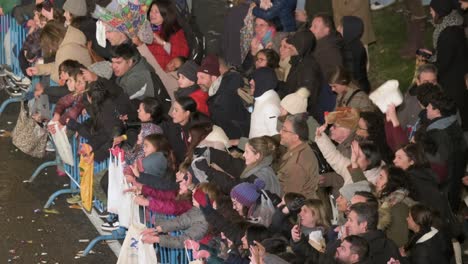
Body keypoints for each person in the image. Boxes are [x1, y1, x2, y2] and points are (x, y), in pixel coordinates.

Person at [422, 0, 468, 131]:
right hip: (459, 70)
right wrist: (433, 54)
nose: (430, 12)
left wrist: (429, 59)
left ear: (439, 12)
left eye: (432, 10)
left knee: (459, 111)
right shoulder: (453, 22)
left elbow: (442, 65)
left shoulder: (447, 34)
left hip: (454, 80)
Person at [194, 136, 282, 196]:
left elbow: (234, 187)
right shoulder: (260, 164)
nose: (243, 155)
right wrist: (212, 153)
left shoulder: (259, 176)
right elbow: (233, 164)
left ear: (257, 155)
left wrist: (209, 171)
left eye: (247, 152)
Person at [197, 55, 251, 139]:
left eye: (202, 77)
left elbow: (231, 127)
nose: (198, 82)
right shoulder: (220, 91)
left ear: (214, 77)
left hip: (239, 142)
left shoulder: (222, 97)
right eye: (197, 78)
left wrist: (236, 145)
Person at [109, 43, 171, 112]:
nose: (113, 66)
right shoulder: (136, 59)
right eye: (112, 62)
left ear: (130, 62)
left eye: (118, 63)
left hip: (155, 113)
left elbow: (120, 101)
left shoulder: (134, 80)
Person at [26, 21, 92, 84]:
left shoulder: (63, 52)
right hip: (89, 70)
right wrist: (39, 69)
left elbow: (60, 78)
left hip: (85, 82)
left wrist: (49, 74)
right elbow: (58, 66)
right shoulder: (73, 33)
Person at [280, 30, 324, 118]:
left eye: (294, 44)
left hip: (297, 113)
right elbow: (290, 86)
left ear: (302, 47)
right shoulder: (297, 60)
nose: (290, 46)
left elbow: (305, 96)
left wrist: (286, 110)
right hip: (289, 106)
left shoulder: (308, 68)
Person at [278, 113, 319, 199]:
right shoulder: (303, 147)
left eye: (284, 130)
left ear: (295, 137)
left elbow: (290, 199)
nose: (280, 132)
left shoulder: (296, 166)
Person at [374, 166, 415, 247]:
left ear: (391, 182)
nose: (376, 181)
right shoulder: (387, 200)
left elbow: (398, 242)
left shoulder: (399, 207)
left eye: (381, 177)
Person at [146, 0, 189, 70]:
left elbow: (180, 58)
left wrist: (163, 43)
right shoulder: (147, 27)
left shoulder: (175, 32)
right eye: (151, 10)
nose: (152, 14)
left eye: (156, 12)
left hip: (163, 74)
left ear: (166, 14)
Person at [397, 64, 438, 130]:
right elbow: (398, 130)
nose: (430, 86)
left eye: (433, 81)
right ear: (418, 82)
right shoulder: (408, 102)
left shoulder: (445, 101)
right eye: (426, 82)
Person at [338, 16, 370, 93]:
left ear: (349, 30)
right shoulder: (356, 43)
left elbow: (350, 75)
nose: (338, 29)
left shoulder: (349, 50)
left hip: (357, 90)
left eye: (341, 27)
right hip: (363, 84)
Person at [309, 13, 344, 82]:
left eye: (315, 27)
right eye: (311, 26)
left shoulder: (325, 48)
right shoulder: (333, 40)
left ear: (326, 30)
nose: (310, 29)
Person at [249, 67, 281, 138]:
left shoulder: (269, 107)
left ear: (263, 81)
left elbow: (275, 138)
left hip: (260, 148)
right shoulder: (263, 97)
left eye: (254, 79)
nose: (250, 82)